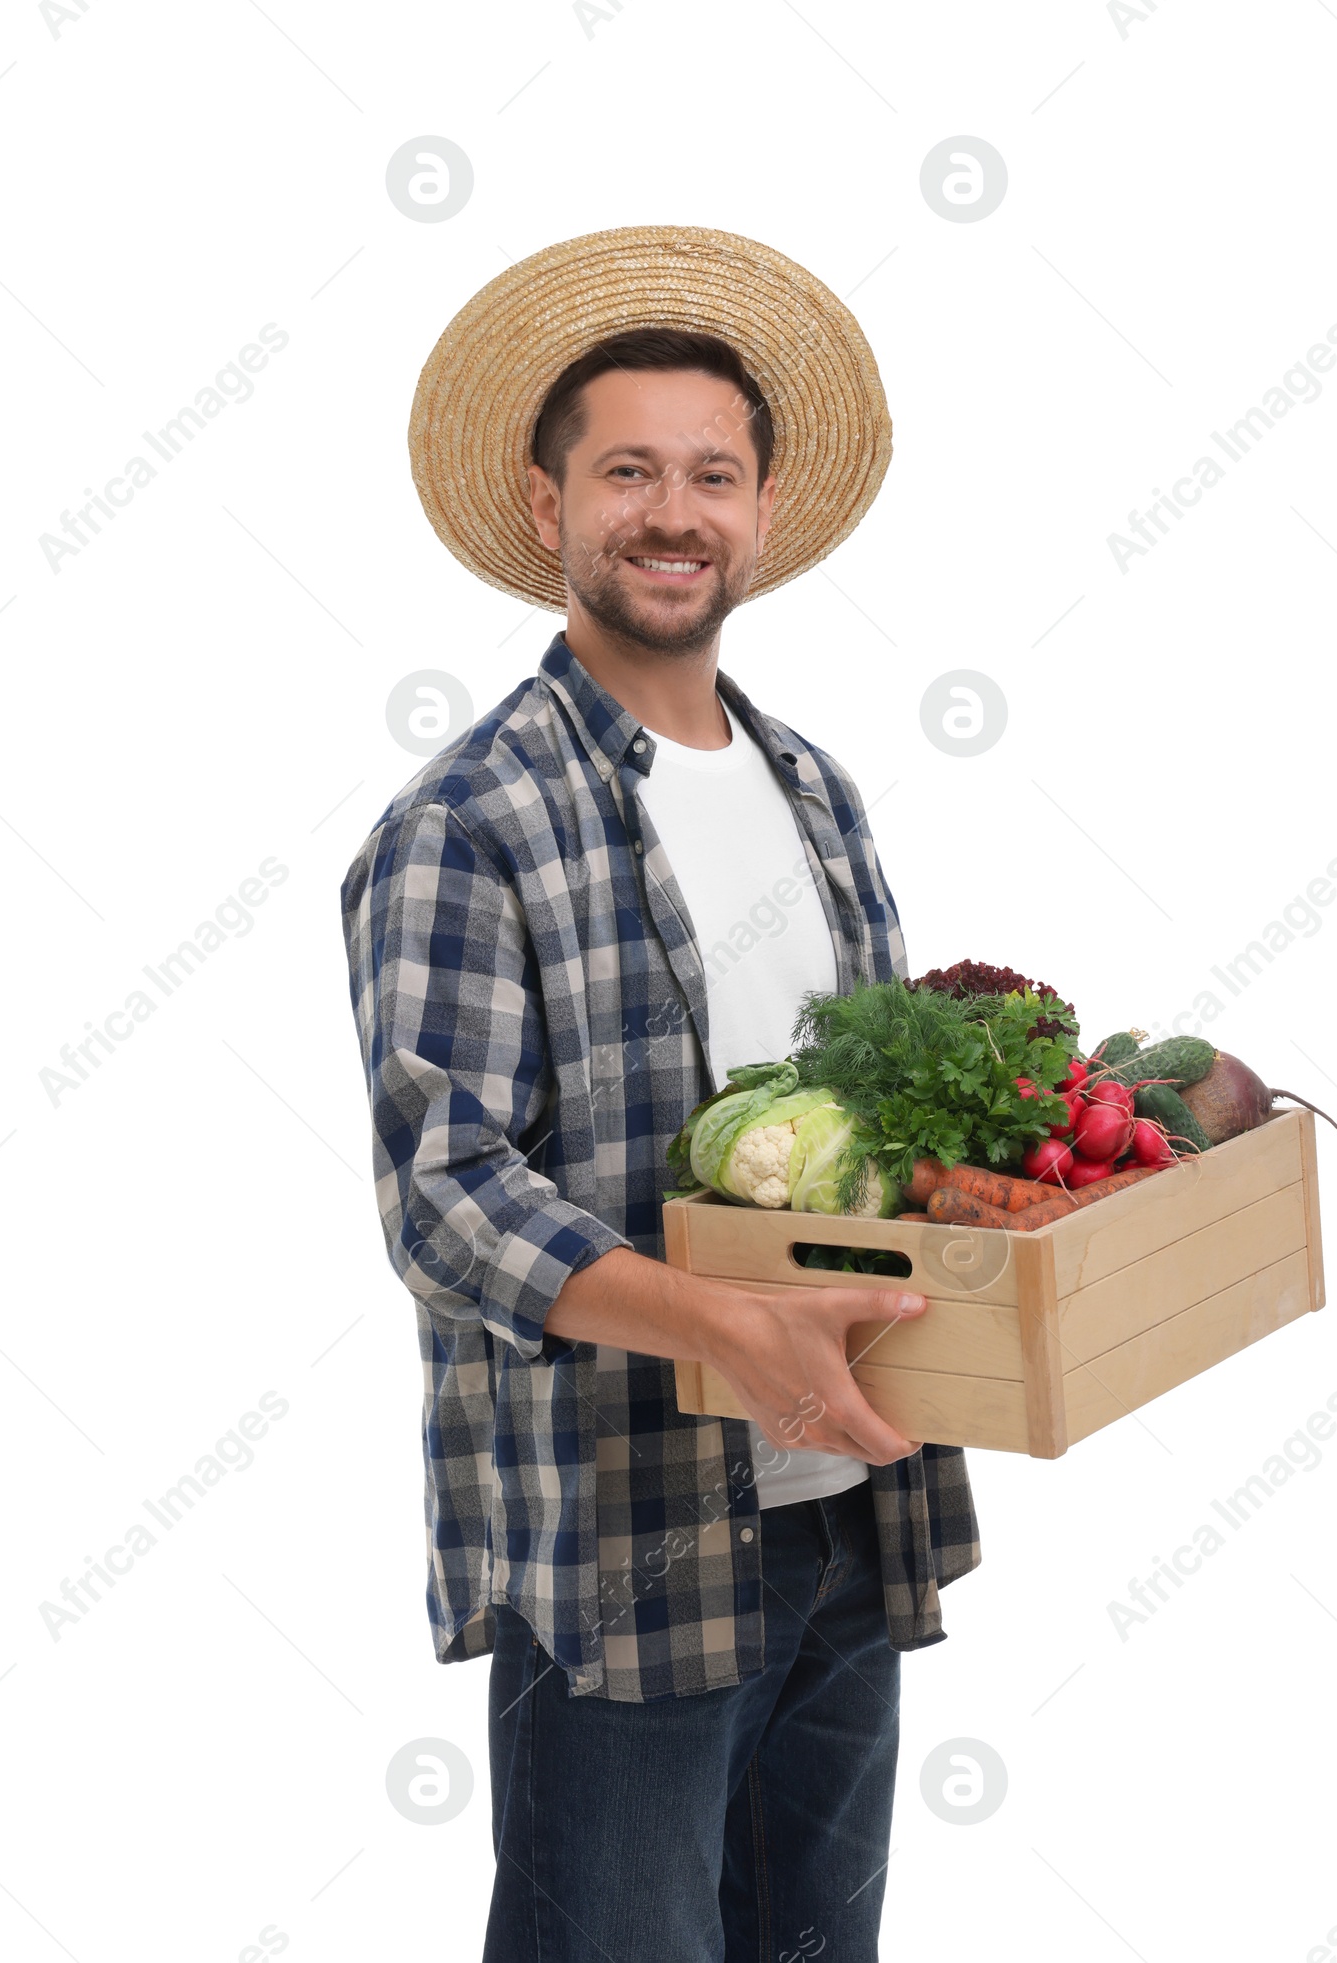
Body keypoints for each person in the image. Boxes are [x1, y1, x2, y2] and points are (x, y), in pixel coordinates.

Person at [340, 226, 981, 1962]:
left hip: (851, 1506)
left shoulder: (817, 793)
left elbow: (883, 1136)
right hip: (624, 1552)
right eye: (626, 470)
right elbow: (445, 1198)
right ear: (548, 509)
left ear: (765, 511)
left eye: (711, 473)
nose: (672, 512)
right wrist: (721, 1320)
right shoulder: (469, 822)